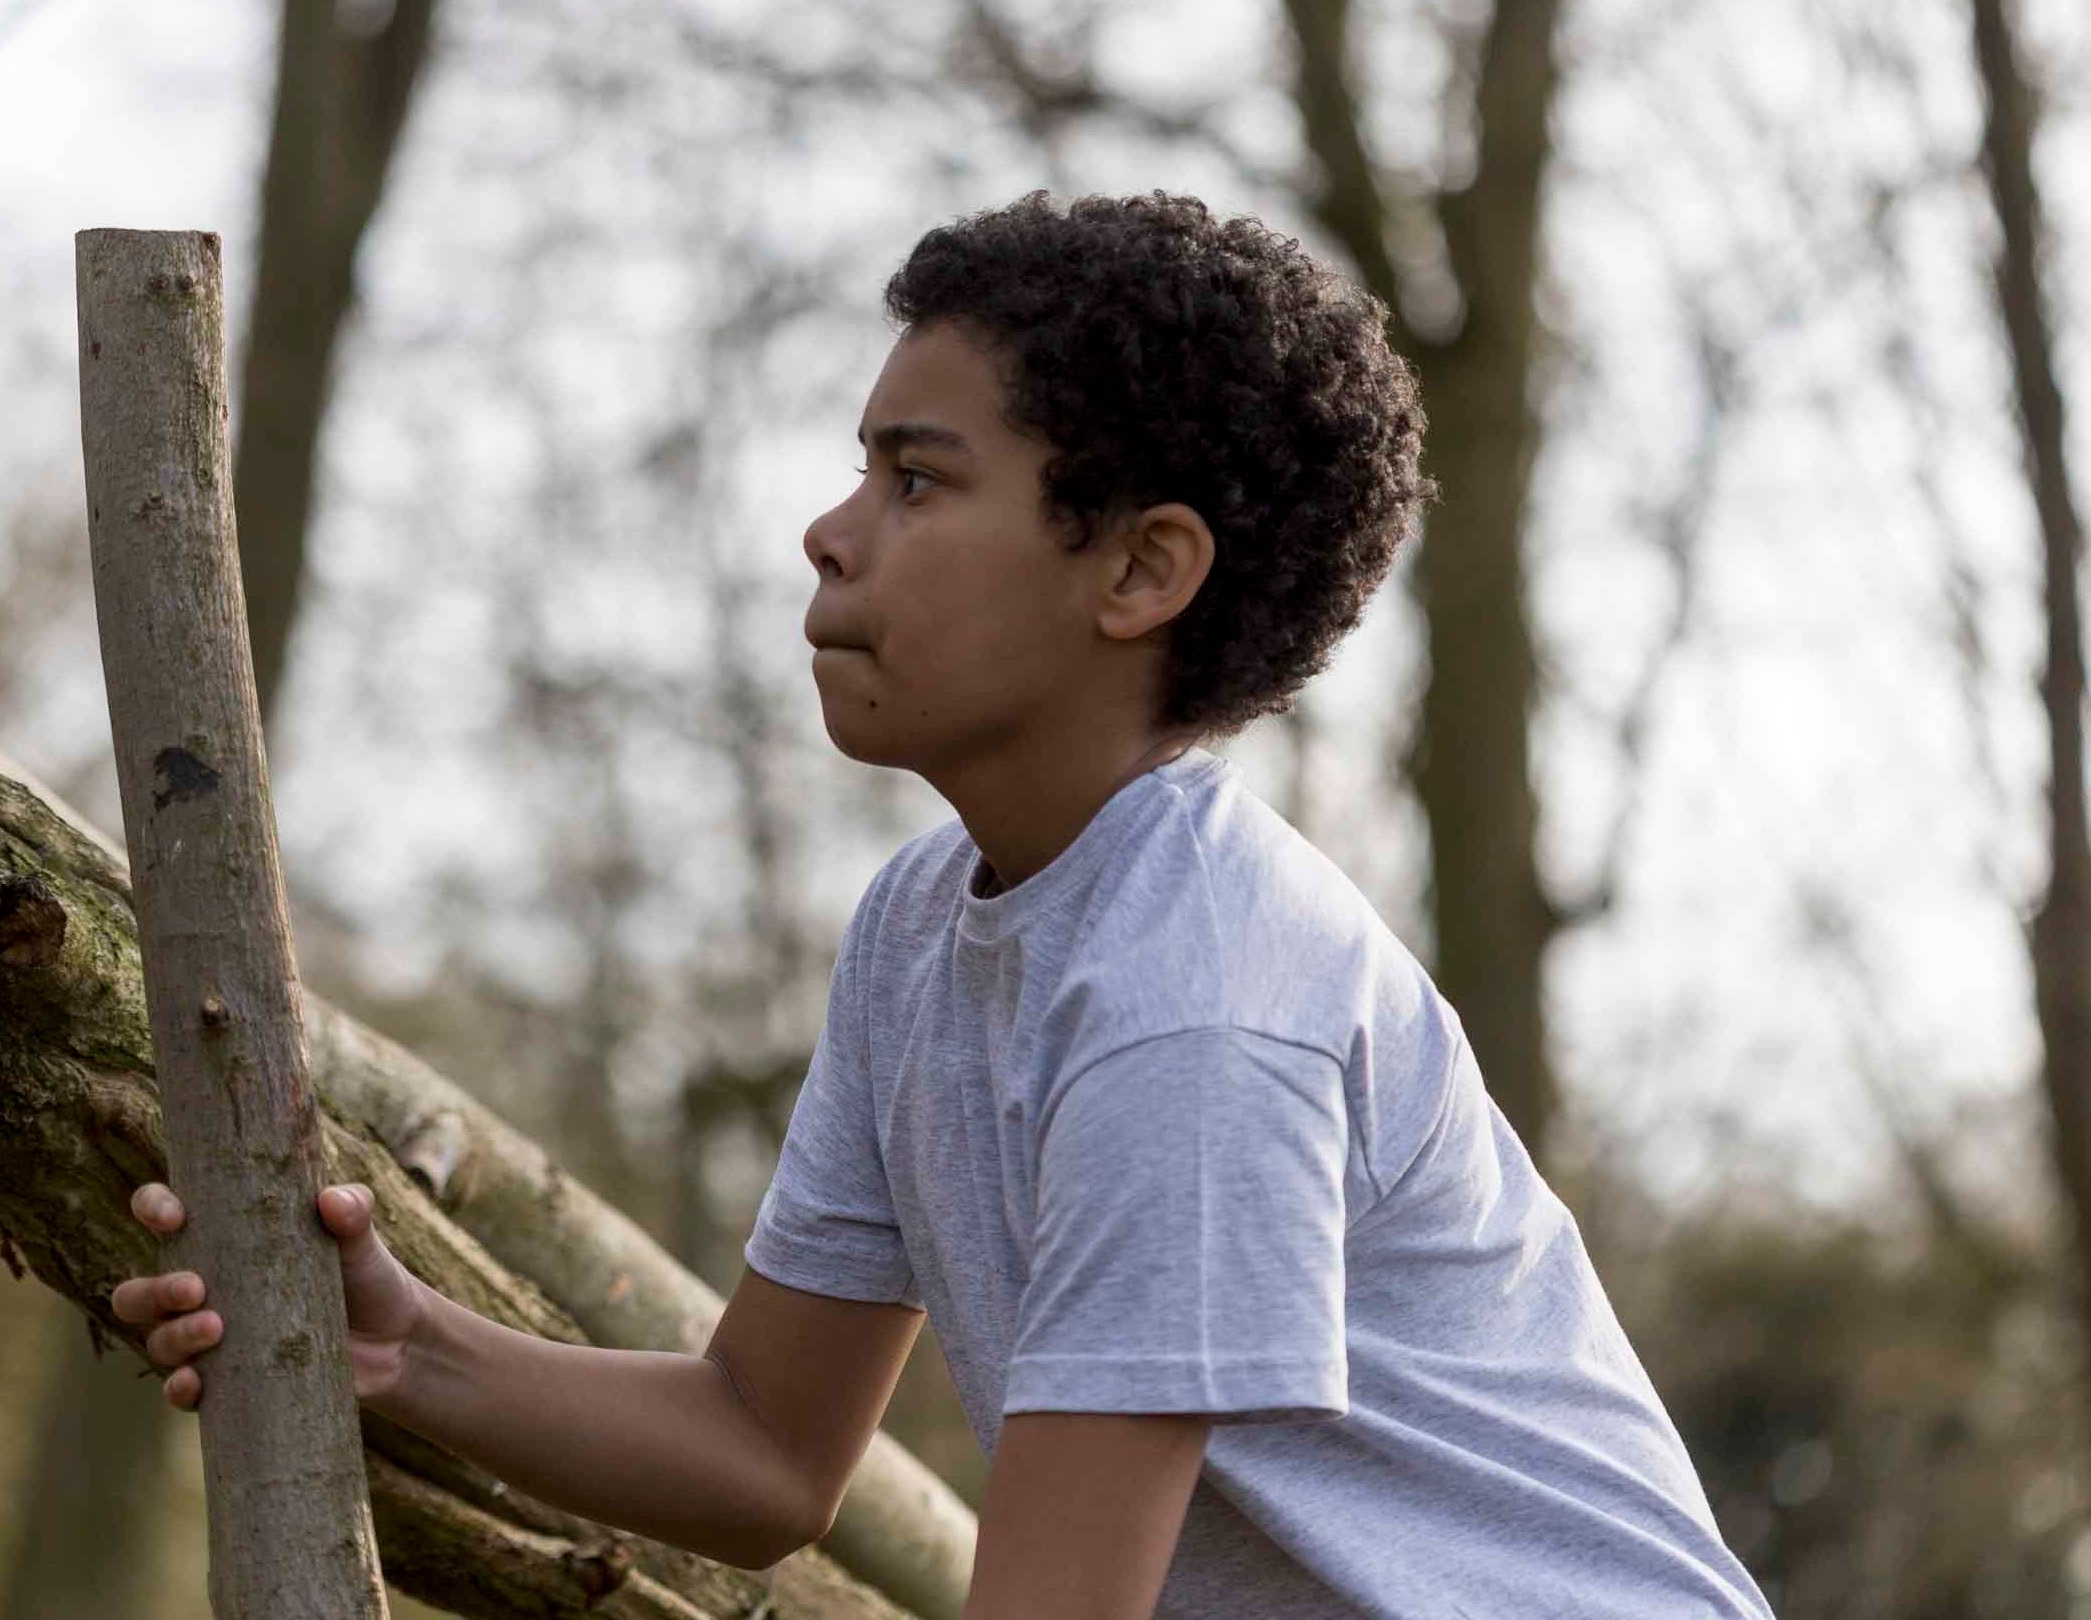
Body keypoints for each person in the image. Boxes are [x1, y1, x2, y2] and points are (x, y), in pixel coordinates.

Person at [114, 191, 1773, 1619]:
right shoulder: (925, 933)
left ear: (1137, 571)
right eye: (863, 472)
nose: (831, 534)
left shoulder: (1193, 1006)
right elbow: (763, 1446)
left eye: (920, 479)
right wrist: (408, 1350)